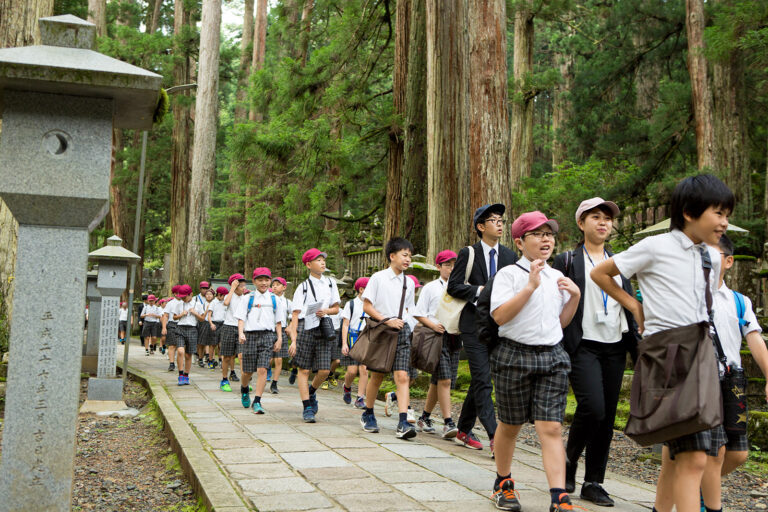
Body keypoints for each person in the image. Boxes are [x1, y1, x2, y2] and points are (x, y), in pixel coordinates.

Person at [590, 174, 734, 512]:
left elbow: (703, 306)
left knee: (688, 449)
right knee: (694, 456)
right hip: (667, 354)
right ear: (688, 211)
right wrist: (635, 305)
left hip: (702, 353)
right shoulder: (654, 246)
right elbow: (600, 273)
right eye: (718, 213)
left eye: (727, 213)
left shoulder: (711, 257)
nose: (724, 222)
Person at [488, 211, 580, 512]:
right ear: (519, 241)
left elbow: (559, 323)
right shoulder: (509, 275)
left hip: (552, 356)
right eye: (538, 234)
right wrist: (529, 285)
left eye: (549, 234)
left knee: (551, 427)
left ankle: (559, 497)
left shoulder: (557, 277)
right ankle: (503, 481)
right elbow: (500, 316)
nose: (546, 239)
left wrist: (575, 298)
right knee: (511, 424)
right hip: (514, 355)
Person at [552, 198, 640, 506]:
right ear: (581, 223)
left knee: (607, 416)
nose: (603, 222)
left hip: (615, 345)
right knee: (593, 407)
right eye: (595, 217)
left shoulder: (621, 261)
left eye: (607, 218)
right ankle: (569, 460)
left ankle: (594, 481)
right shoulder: (567, 260)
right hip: (582, 344)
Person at [699, 234, 768, 512]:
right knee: (716, 451)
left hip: (732, 382)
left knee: (738, 454)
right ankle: (705, 502)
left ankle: (695, 485)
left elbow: (754, 340)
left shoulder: (739, 301)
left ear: (728, 261)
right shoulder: (692, 296)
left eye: (711, 252)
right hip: (702, 381)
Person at [447, 203, 518, 454]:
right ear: (480, 226)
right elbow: (453, 287)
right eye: (493, 220)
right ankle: (494, 434)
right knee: (482, 380)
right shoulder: (469, 253)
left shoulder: (510, 256)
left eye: (501, 220)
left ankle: (464, 430)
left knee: (481, 380)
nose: (499, 224)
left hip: (499, 326)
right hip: (473, 325)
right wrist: (481, 291)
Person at [360, 237, 417, 439]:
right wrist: (386, 320)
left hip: (402, 332)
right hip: (383, 331)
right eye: (404, 254)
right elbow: (367, 306)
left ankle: (403, 421)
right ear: (392, 256)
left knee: (403, 376)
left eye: (409, 255)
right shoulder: (378, 278)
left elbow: (409, 309)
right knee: (377, 375)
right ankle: (368, 412)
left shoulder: (409, 283)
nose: (408, 259)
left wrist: (410, 327)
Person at [286, 248, 341, 423]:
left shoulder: (331, 283)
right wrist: (293, 340)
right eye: (318, 260)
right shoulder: (302, 287)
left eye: (323, 259)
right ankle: (307, 407)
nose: (323, 262)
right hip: (305, 328)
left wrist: (326, 310)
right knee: (304, 369)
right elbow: (295, 314)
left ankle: (311, 392)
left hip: (324, 327)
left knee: (324, 369)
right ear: (308, 265)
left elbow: (336, 308)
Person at [413, 250, 461, 439]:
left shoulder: (461, 286)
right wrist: (433, 325)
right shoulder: (431, 288)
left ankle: (424, 416)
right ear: (438, 267)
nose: (451, 268)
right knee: (445, 379)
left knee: (438, 380)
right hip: (436, 336)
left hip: (455, 336)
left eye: (453, 265)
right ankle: (448, 422)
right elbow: (418, 313)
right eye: (447, 265)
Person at [235, 268, 285, 414]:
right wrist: (241, 333)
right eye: (260, 280)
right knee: (247, 371)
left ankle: (257, 401)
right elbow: (241, 318)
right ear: (254, 281)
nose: (264, 283)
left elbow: (279, 322)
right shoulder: (247, 298)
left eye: (266, 280)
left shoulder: (275, 299)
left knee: (263, 369)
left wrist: (279, 339)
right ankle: (244, 388)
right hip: (250, 336)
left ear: (270, 281)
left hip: (268, 336)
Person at [340, 277, 369, 408]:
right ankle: (347, 387)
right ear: (361, 289)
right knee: (352, 371)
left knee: (364, 369)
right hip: (352, 337)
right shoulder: (351, 304)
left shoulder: (373, 305)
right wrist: (344, 343)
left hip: (366, 337)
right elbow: (345, 324)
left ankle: (360, 398)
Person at [173, 284, 206, 386]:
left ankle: (186, 376)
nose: (183, 299)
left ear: (190, 294)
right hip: (180, 328)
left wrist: (195, 313)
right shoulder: (179, 304)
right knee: (180, 351)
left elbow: (202, 319)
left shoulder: (198, 305)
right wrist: (181, 314)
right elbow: (174, 317)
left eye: (184, 297)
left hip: (192, 329)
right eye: (181, 297)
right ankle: (180, 374)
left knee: (188, 355)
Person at [219, 274, 246, 391]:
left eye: (244, 285)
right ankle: (224, 380)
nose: (243, 288)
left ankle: (244, 382)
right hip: (229, 327)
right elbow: (225, 303)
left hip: (242, 328)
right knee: (227, 356)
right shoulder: (229, 296)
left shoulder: (246, 297)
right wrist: (232, 289)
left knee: (242, 356)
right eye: (241, 286)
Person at [269, 277, 292, 394]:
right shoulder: (268, 299)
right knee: (268, 358)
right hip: (268, 330)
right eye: (273, 284)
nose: (274, 286)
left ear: (284, 287)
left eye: (277, 284)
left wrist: (290, 326)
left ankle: (274, 383)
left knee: (278, 359)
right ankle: (265, 373)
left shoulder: (287, 302)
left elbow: (295, 315)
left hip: (281, 330)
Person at [163, 285, 181, 372]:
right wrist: (164, 327)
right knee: (172, 345)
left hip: (182, 324)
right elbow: (165, 315)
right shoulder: (170, 304)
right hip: (172, 324)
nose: (179, 294)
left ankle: (180, 362)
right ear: (174, 294)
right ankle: (171, 363)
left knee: (180, 346)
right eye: (177, 293)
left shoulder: (185, 302)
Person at [209, 286, 228, 369]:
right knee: (213, 344)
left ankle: (221, 360)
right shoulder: (213, 302)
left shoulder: (225, 302)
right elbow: (209, 315)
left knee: (221, 344)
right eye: (223, 295)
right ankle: (210, 360)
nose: (224, 297)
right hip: (215, 323)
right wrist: (211, 324)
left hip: (223, 323)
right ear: (219, 294)